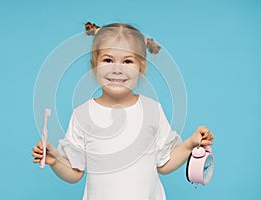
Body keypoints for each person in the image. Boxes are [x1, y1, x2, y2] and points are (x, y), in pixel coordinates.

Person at [32, 22, 214, 200]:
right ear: (94, 64)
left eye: (127, 61)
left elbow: (164, 163)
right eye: (108, 60)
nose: (117, 69)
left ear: (141, 67)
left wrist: (190, 143)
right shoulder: (82, 115)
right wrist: (55, 161)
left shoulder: (152, 110)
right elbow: (75, 172)